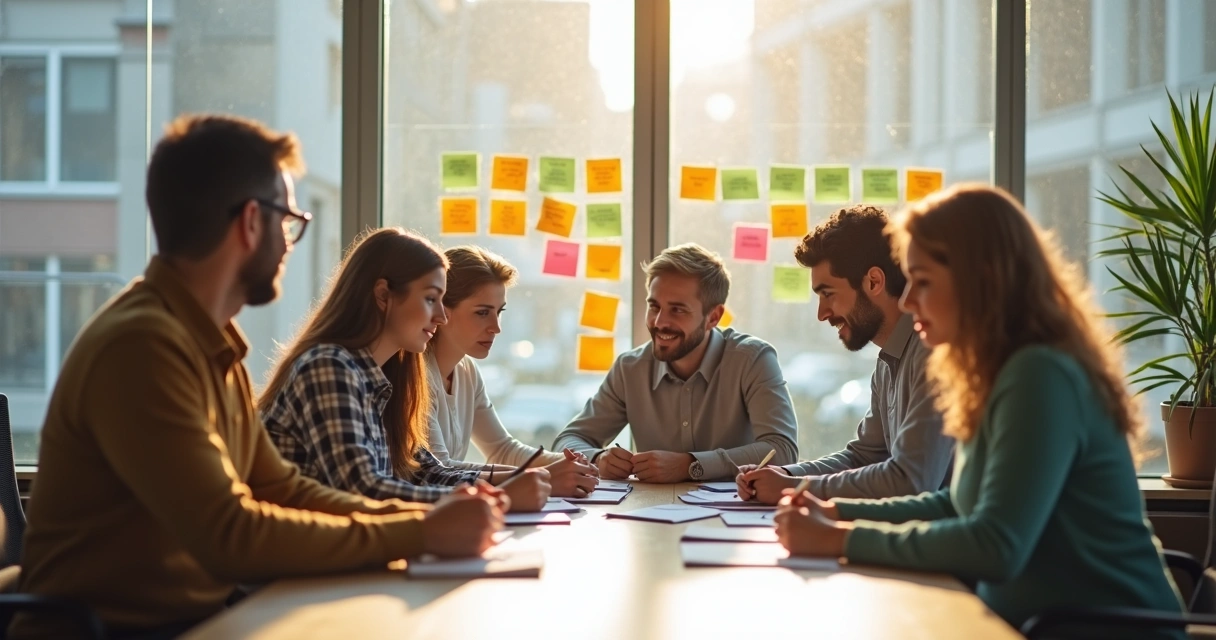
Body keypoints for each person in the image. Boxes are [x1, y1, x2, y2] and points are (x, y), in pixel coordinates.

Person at [13, 115, 502, 639]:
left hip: (198, 619)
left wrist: (421, 527)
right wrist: (421, 530)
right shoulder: (143, 345)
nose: (290, 242)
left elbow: (283, 489)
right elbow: (230, 532)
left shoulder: (208, 344)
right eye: (288, 221)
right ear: (251, 222)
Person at [773, 184, 1184, 635]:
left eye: (922, 282)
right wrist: (836, 514)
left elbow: (995, 544)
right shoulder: (992, 371)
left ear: (980, 278)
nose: (907, 301)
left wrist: (840, 538)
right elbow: (955, 503)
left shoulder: (1039, 372)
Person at [259, 230, 552, 512]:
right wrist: (502, 496)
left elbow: (426, 472)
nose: (440, 316)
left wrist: (521, 481)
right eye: (430, 299)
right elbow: (364, 491)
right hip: (305, 558)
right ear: (384, 295)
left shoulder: (384, 375)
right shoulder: (329, 367)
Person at [736, 205, 952, 503]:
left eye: (828, 294)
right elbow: (863, 457)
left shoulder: (933, 354)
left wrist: (794, 489)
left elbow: (911, 480)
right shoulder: (889, 361)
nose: (822, 314)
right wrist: (786, 475)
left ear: (874, 282)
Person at [554, 243, 798, 483]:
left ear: (713, 316)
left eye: (677, 310)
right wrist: (598, 458)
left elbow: (782, 449)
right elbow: (569, 439)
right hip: (647, 516)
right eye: (654, 306)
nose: (660, 322)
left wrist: (690, 465)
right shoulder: (630, 369)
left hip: (731, 518)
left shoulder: (753, 360)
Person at [425, 246, 600, 497]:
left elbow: (503, 449)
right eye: (482, 313)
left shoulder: (467, 372)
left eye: (499, 312)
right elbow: (440, 471)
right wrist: (547, 475)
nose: (496, 327)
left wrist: (585, 465)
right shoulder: (414, 375)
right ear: (443, 310)